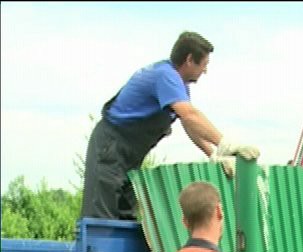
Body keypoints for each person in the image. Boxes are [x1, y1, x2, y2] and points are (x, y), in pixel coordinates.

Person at [80, 31, 259, 220]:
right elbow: (191, 115)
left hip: (128, 155)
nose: (205, 70)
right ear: (190, 60)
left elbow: (189, 123)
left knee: (125, 213)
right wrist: (225, 144)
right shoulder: (165, 76)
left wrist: (213, 154)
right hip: (110, 147)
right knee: (102, 215)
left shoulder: (178, 84)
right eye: (204, 64)